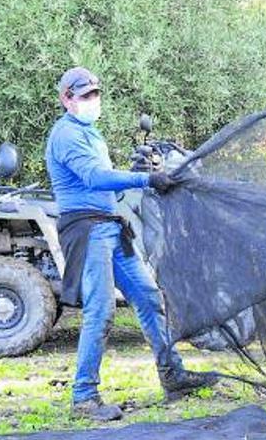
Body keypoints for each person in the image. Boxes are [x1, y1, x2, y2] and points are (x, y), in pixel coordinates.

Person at [45, 67, 218, 421]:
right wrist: (147, 177)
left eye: (95, 94)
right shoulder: (66, 134)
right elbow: (94, 178)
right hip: (88, 230)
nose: (93, 101)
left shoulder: (90, 134)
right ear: (66, 99)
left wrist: (132, 171)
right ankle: (84, 396)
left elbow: (108, 186)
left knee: (147, 297)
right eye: (84, 96)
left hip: (110, 227)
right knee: (101, 310)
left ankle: (173, 375)